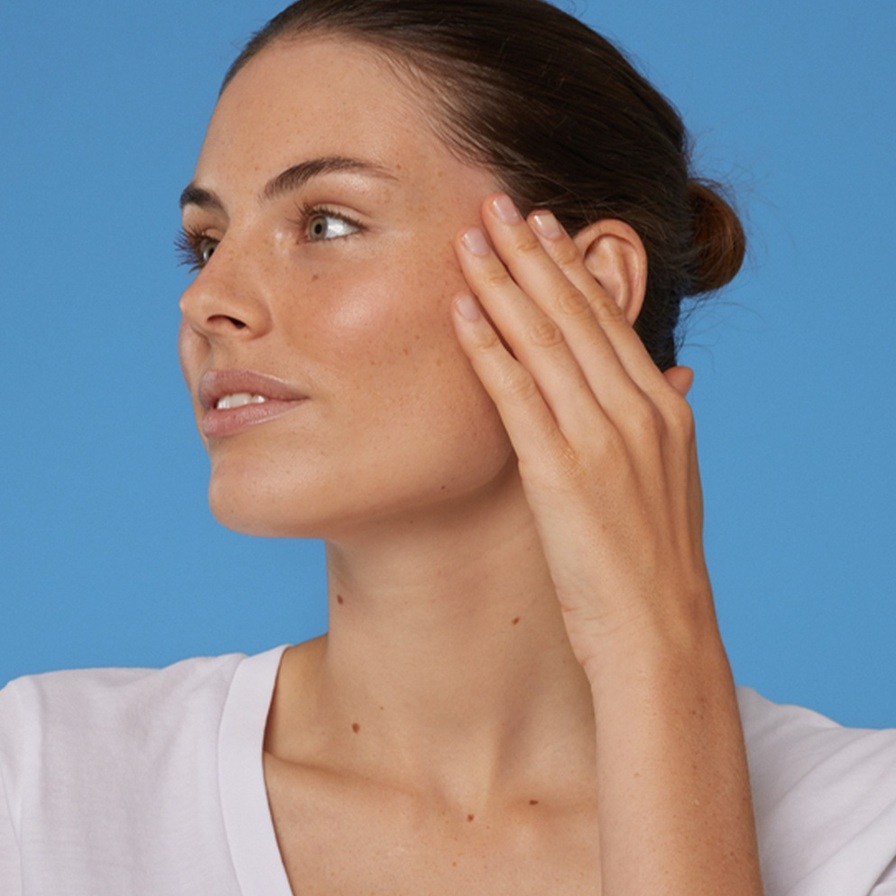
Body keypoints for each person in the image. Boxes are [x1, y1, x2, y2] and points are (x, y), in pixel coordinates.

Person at [1, 1, 894, 893]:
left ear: (587, 285)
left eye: (327, 223)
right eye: (205, 243)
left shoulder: (865, 831)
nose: (208, 301)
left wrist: (654, 652)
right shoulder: (42, 791)